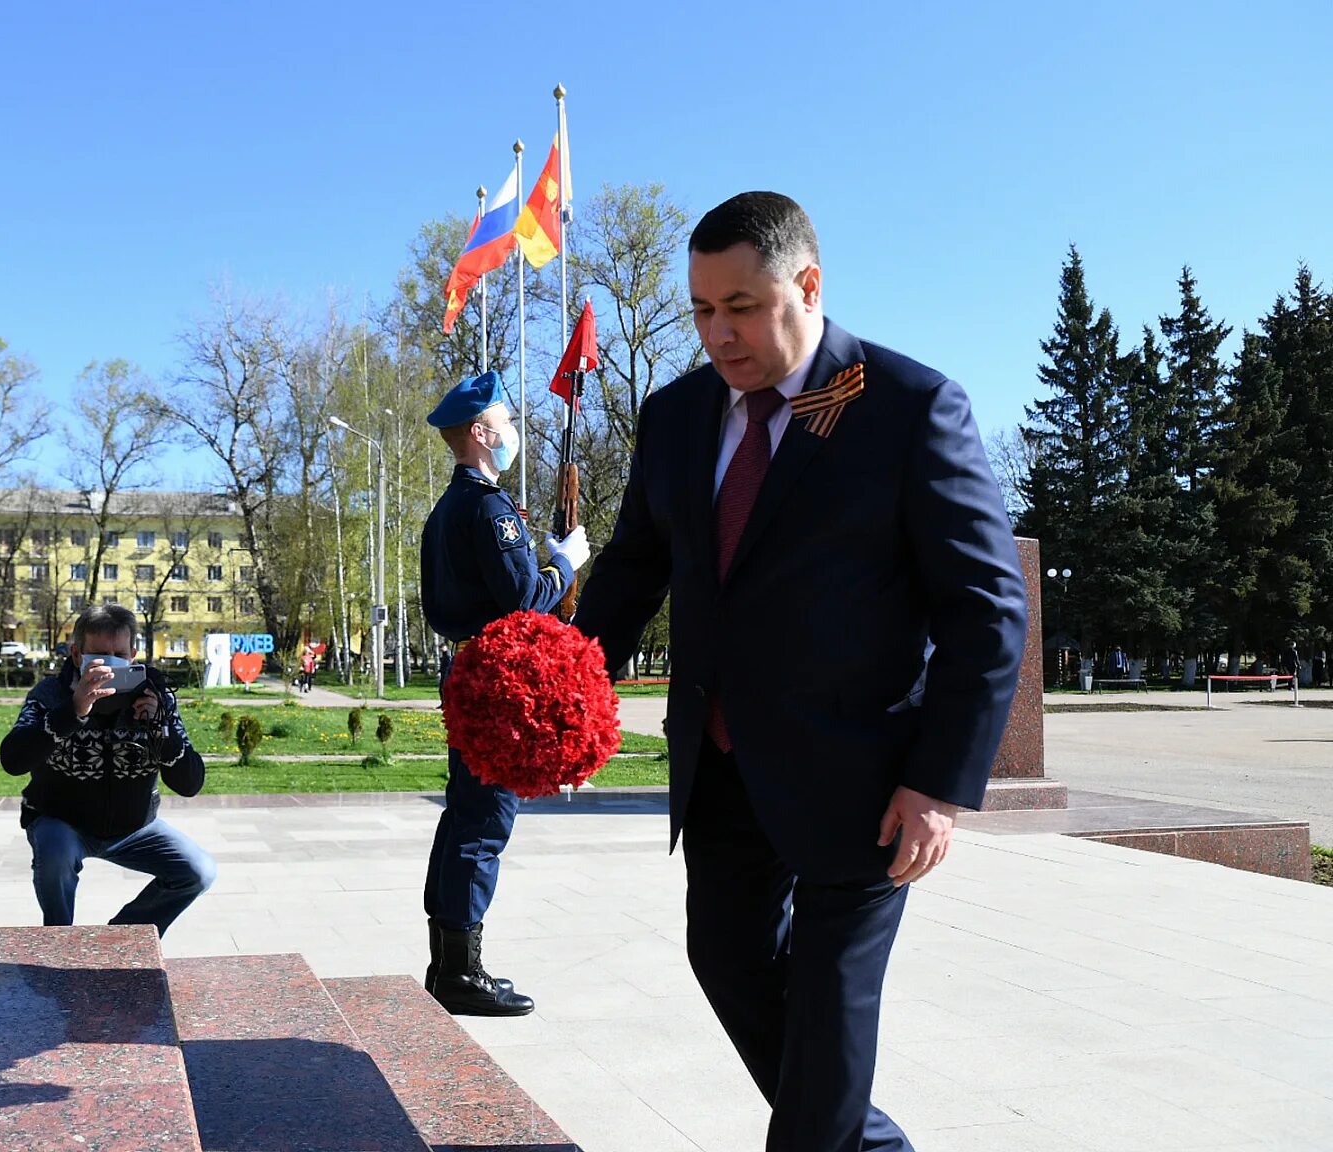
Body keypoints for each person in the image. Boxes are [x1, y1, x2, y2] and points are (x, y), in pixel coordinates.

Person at [573, 192, 1027, 1152]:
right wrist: (558, 673)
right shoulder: (675, 417)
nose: (718, 333)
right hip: (725, 766)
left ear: (807, 285)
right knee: (727, 960)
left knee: (825, 1020)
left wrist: (940, 784)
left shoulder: (906, 408)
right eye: (700, 309)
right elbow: (631, 569)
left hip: (865, 782)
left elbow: (987, 606)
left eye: (740, 305)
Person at [419, 370, 590, 1016]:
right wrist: (565, 562)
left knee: (463, 813)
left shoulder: (447, 508)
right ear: (480, 432)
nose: (513, 430)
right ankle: (460, 973)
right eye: (506, 420)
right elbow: (523, 599)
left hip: (467, 668)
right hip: (494, 678)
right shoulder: (487, 508)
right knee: (483, 821)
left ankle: (447, 963)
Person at [1, 603, 216, 934]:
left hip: (135, 828)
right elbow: (12, 760)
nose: (112, 664)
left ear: (133, 655)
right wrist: (73, 711)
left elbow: (190, 784)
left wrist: (160, 731)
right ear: (76, 655)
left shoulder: (156, 697)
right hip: (63, 822)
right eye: (100, 655)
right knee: (55, 859)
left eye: (119, 654)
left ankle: (121, 935)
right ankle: (58, 941)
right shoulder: (50, 695)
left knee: (199, 871)